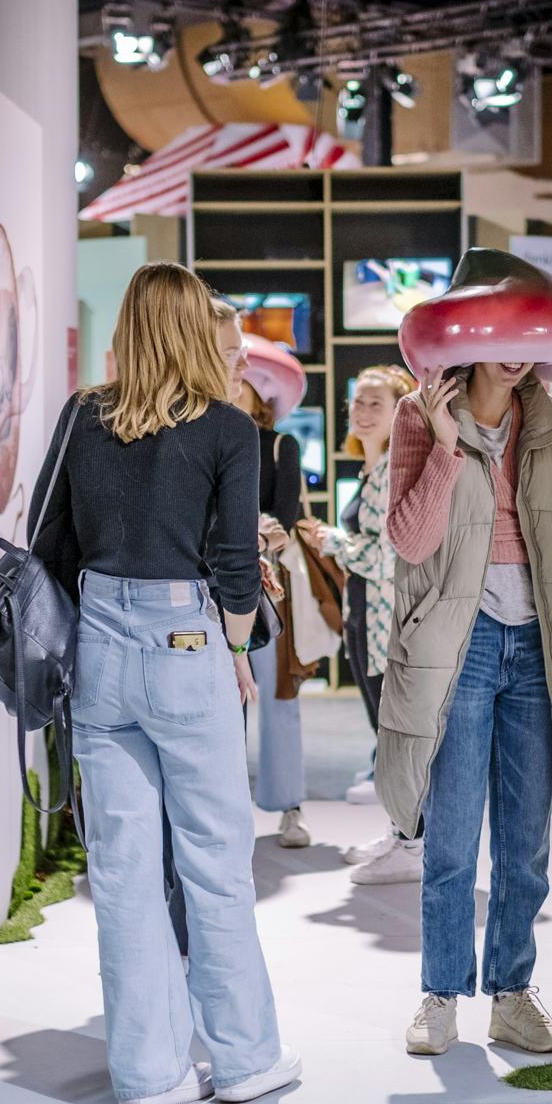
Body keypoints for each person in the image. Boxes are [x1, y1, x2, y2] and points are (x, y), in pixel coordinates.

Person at [27, 261, 300, 1104]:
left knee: (122, 869)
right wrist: (236, 649)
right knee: (214, 861)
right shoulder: (228, 428)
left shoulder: (82, 416)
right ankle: (245, 1058)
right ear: (193, 334)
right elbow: (235, 568)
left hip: (102, 648)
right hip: (187, 641)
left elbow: (48, 539)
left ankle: (149, 1077)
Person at [372, 358, 552, 1056]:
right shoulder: (420, 411)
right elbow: (410, 539)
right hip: (462, 641)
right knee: (452, 837)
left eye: (525, 338)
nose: (513, 353)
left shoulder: (544, 415)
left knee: (525, 843)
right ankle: (441, 994)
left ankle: (512, 994)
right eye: (501, 336)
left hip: (536, 640)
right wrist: (444, 446)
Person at [308, 364, 415, 876]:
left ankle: (413, 844)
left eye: (377, 403)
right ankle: (401, 835)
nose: (363, 412)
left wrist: (333, 541)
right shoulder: (372, 470)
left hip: (387, 620)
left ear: (399, 412)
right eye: (358, 401)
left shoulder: (395, 471)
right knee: (384, 733)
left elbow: (391, 557)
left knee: (397, 736)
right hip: (365, 616)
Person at [219, 309, 312, 849]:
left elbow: (286, 516)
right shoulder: (207, 440)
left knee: (278, 697)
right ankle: (226, 809)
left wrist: (261, 531)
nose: (237, 383)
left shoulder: (280, 447)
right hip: (215, 585)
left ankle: (289, 805)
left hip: (269, 587)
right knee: (223, 701)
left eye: (246, 376)